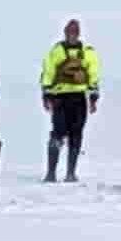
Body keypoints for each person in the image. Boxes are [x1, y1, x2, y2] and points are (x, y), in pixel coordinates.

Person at [40, 18, 100, 183]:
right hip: (61, 98)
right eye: (70, 32)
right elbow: (48, 72)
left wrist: (93, 98)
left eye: (74, 32)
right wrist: (47, 95)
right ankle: (52, 173)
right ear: (66, 33)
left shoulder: (86, 52)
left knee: (75, 133)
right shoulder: (58, 51)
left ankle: (69, 174)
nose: (72, 35)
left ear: (78, 33)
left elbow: (93, 75)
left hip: (77, 98)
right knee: (58, 133)